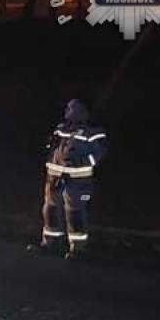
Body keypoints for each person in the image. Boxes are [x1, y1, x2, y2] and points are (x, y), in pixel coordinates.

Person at [29, 99, 108, 258]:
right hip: (54, 177)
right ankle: (50, 243)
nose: (67, 110)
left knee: (75, 213)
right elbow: (52, 147)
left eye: (71, 108)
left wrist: (81, 162)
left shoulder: (93, 132)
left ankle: (78, 249)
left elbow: (99, 154)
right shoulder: (61, 128)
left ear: (81, 111)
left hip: (77, 180)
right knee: (50, 210)